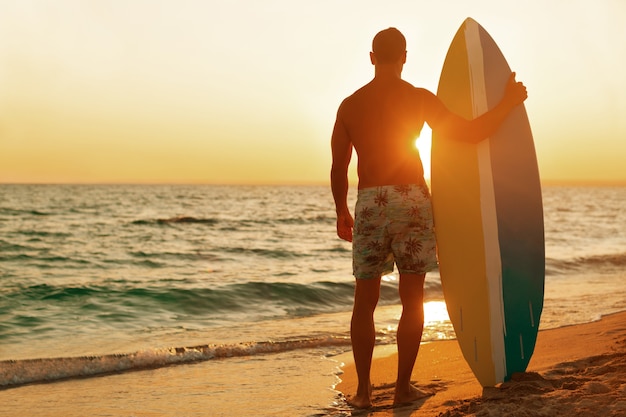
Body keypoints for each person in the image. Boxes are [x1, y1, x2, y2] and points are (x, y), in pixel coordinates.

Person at [330, 27, 527, 409]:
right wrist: (507, 102)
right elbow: (469, 134)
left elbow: (339, 168)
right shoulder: (418, 99)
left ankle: (364, 392)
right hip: (413, 201)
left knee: (364, 302)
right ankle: (403, 388)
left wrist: (341, 209)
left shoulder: (349, 105)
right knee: (412, 298)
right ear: (404, 56)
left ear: (371, 57)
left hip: (370, 203)